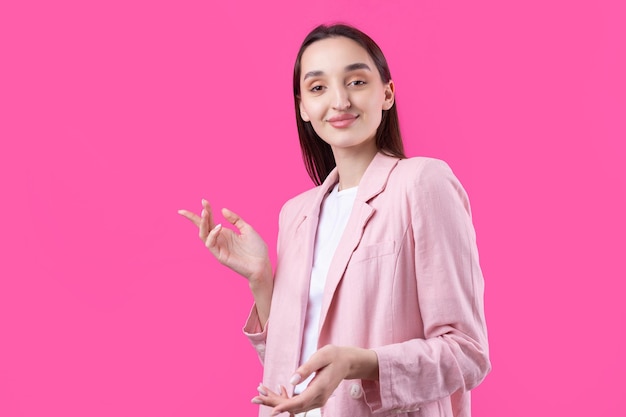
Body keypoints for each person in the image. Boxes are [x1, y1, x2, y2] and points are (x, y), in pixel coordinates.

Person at [178, 23, 490, 417]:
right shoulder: (296, 213)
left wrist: (359, 363)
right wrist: (261, 279)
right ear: (303, 108)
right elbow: (293, 366)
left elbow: (467, 353)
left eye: (357, 81)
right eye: (318, 88)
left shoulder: (423, 183)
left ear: (387, 93)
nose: (339, 100)